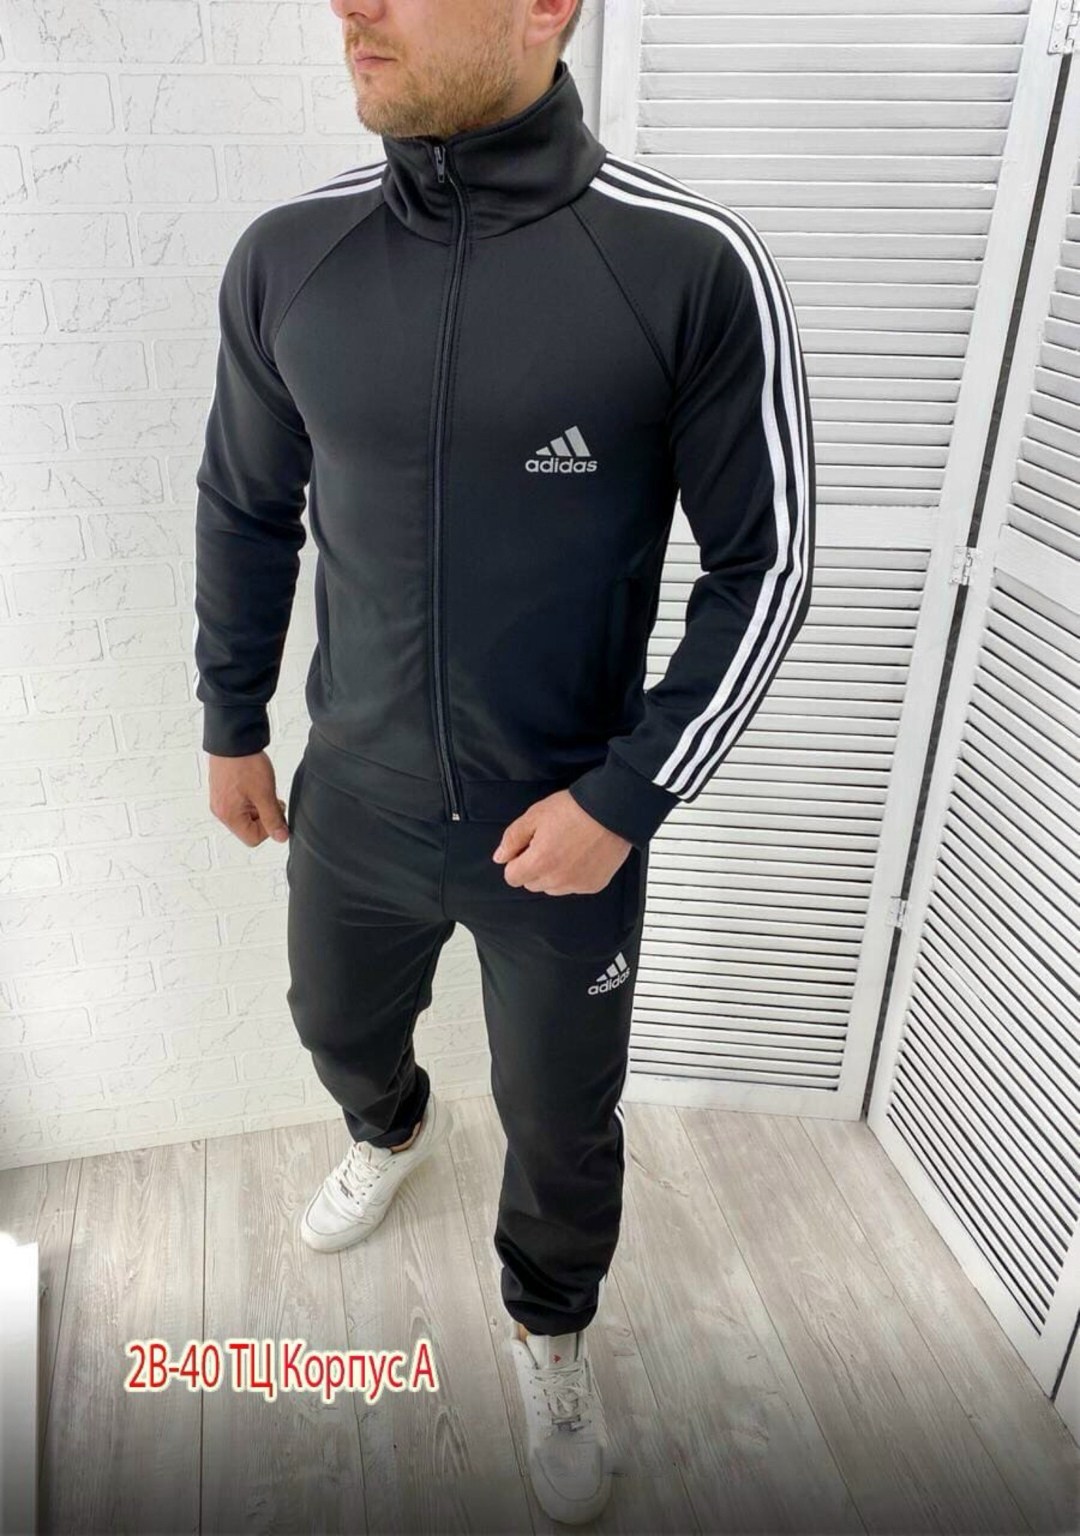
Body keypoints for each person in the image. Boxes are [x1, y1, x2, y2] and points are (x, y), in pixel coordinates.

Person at [192, 0, 815, 1523]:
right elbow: (245, 505)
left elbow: (768, 564)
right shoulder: (291, 257)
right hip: (354, 799)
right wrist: (231, 719)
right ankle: (392, 1128)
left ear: (548, 7)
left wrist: (625, 799)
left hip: (564, 830)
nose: (352, 7)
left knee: (561, 1122)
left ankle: (551, 1329)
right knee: (333, 1025)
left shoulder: (684, 264)